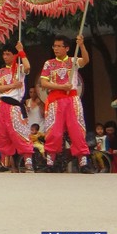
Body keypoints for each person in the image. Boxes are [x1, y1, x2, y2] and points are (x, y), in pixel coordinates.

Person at [38, 35, 92, 173]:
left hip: (72, 100)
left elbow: (85, 60)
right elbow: (43, 83)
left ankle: (83, 163)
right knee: (54, 132)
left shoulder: (73, 61)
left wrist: (81, 45)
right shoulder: (49, 63)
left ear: (67, 48)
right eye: (54, 46)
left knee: (77, 130)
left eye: (58, 46)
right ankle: (50, 164)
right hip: (56, 101)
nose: (55, 48)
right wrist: (61, 87)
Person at [0, 42, 33, 172]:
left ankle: (28, 161)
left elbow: (28, 67)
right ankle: (6, 163)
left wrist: (22, 52)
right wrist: (12, 86)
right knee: (3, 134)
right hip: (2, 105)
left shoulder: (19, 68)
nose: (5, 56)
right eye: (4, 54)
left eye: (8, 54)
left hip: (15, 105)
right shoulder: (0, 71)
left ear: (14, 55)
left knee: (20, 132)